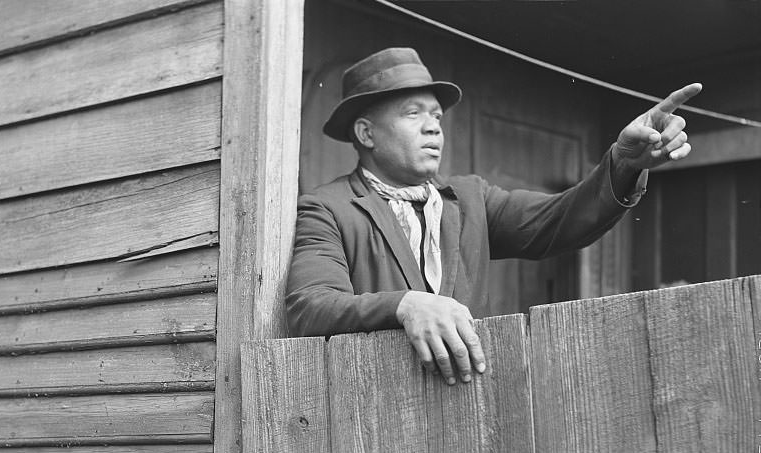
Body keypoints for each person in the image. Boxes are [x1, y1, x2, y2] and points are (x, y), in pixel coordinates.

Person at [285, 47, 700, 385]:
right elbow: (311, 306)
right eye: (413, 114)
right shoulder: (329, 208)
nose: (434, 128)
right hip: (368, 425)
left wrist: (624, 163)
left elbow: (560, 220)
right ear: (366, 133)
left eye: (436, 116)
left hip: (465, 409)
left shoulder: (470, 200)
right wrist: (406, 305)